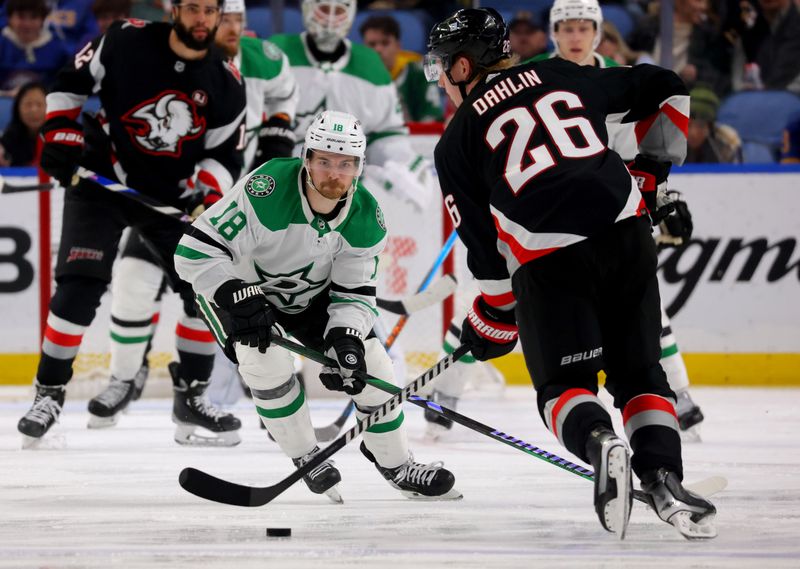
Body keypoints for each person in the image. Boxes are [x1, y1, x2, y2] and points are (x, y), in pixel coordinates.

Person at [424, 8, 716, 539]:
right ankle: (664, 474)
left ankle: (601, 442)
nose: (440, 78)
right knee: (642, 375)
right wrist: (651, 176)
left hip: (549, 257)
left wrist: (491, 323)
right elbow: (667, 85)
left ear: (464, 67)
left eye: (443, 66)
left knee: (563, 385)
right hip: (625, 233)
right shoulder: (561, 72)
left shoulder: (455, 140)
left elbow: (486, 258)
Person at [174, 109, 462, 502]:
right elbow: (192, 252)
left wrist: (345, 338)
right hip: (237, 289)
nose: (334, 173)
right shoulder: (268, 188)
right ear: (306, 159)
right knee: (265, 362)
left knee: (373, 363)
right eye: (324, 161)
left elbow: (354, 294)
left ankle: (396, 464)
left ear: (359, 168)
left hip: (310, 298)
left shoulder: (366, 218)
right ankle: (307, 456)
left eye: (345, 164)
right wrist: (233, 292)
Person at [16, 0, 247, 447]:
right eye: (193, 9)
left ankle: (192, 395)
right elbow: (70, 82)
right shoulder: (125, 39)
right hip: (102, 178)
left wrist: (208, 194)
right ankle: (48, 394)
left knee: (204, 291)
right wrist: (61, 133)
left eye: (210, 11)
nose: (202, 19)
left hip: (172, 196)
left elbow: (224, 155)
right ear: (174, 9)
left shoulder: (227, 81)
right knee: (79, 287)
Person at [89, 0, 299, 427]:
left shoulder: (266, 63)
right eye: (227, 19)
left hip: (248, 211)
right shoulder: (179, 62)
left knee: (265, 300)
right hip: (185, 201)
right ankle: (124, 379)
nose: (231, 28)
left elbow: (286, 105)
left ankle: (273, 397)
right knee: (134, 279)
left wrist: (279, 139)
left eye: (238, 19)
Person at [270, 0, 434, 212]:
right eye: (323, 9)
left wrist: (405, 165)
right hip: (279, 189)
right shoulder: (277, 53)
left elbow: (385, 134)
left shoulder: (371, 66)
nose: (330, 20)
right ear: (308, 9)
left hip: (341, 198)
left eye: (338, 10)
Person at [359, 14, 444, 122]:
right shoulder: (354, 76)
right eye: (372, 44)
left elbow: (432, 117)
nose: (378, 49)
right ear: (363, 48)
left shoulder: (420, 72)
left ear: (398, 46)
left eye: (385, 43)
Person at [0, 0, 71, 95]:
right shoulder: (2, 45)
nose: (27, 24)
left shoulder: (60, 51)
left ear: (43, 20)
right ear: (9, 18)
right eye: (21, 17)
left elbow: (65, 88)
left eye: (34, 17)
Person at [685, 86, 742, 163]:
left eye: (700, 126)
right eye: (687, 125)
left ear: (710, 127)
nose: (693, 133)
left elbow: (737, 173)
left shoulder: (728, 141)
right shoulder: (669, 141)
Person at [0, 81, 47, 166]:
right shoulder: (9, 138)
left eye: (39, 104)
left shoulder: (58, 137)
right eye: (28, 104)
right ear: (17, 109)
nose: (34, 110)